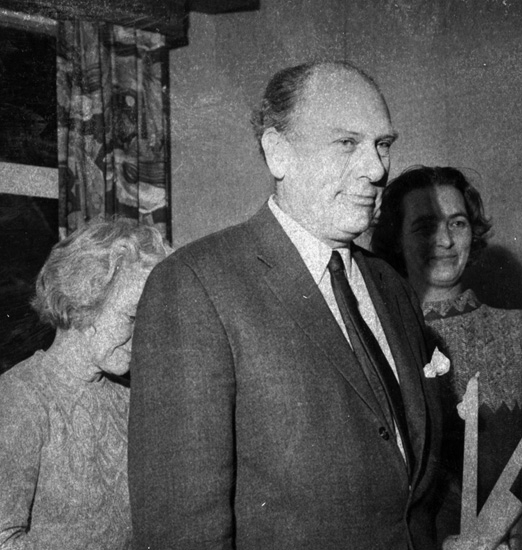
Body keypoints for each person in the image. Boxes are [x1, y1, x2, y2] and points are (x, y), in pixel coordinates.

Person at [128, 61, 443, 550]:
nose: (378, 169)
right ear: (278, 153)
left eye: (383, 144)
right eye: (347, 143)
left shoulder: (392, 287)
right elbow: (183, 532)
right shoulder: (194, 285)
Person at [371, 166, 522, 550]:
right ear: (397, 241)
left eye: (457, 223)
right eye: (425, 226)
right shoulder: (378, 338)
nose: (445, 240)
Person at [0, 218, 171, 550]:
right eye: (132, 317)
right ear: (84, 302)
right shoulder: (19, 399)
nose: (144, 336)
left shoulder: (130, 397)